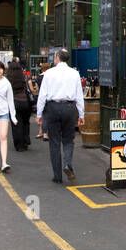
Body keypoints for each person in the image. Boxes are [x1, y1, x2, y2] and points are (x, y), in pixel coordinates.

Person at [36, 49, 84, 184]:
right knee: (69, 140)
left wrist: (39, 114)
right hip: (69, 108)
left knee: (54, 142)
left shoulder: (49, 73)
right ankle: (67, 164)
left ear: (57, 57)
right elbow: (79, 95)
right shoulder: (74, 73)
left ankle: (57, 176)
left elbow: (42, 95)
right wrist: (81, 114)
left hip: (53, 108)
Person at [6, 58, 31, 151]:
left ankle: (19, 145)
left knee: (16, 123)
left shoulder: (8, 79)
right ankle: (26, 141)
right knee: (25, 122)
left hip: (14, 102)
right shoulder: (24, 77)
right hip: (25, 102)